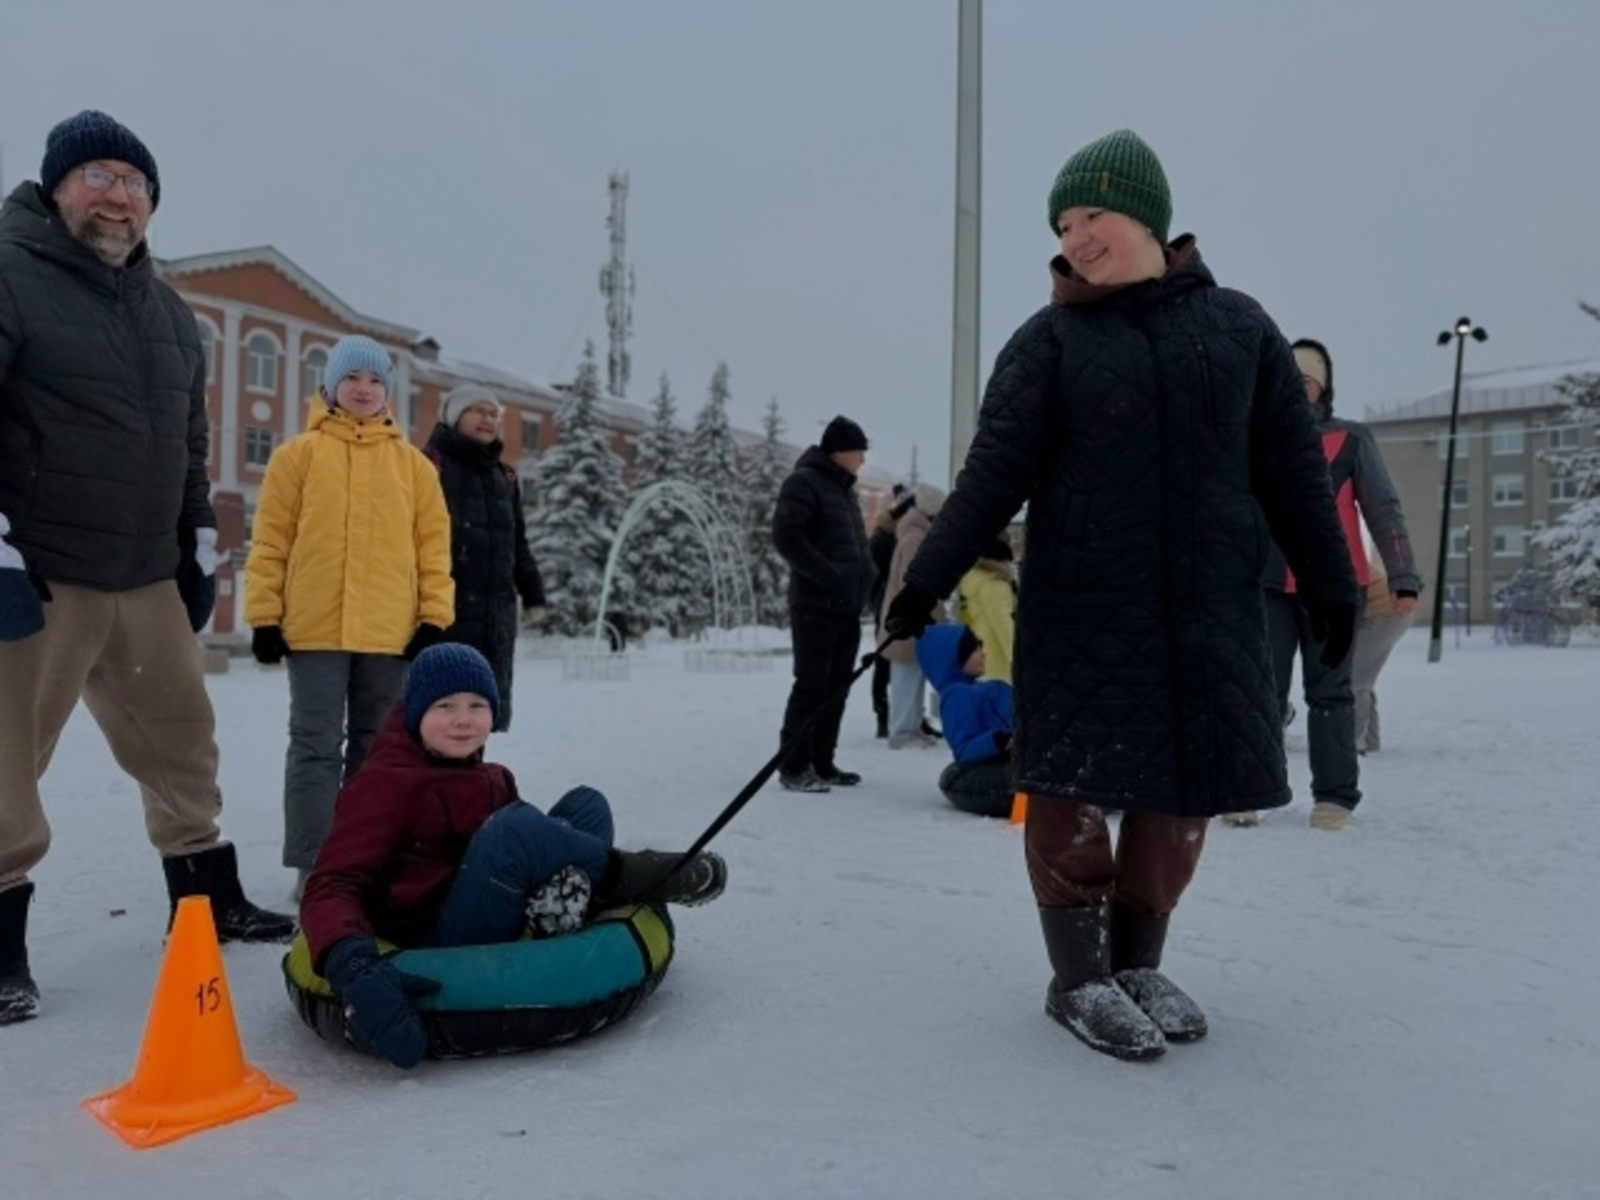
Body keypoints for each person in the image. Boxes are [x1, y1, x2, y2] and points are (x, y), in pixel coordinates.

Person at [883, 129, 1356, 1061]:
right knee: (1073, 796)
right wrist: (923, 584)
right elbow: (989, 480)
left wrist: (1333, 581)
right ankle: (1080, 976)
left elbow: (1294, 472)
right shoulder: (1050, 341)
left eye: (1091, 213)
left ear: (1147, 216)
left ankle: (1138, 960)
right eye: (1063, 221)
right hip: (1087, 611)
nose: (1076, 235)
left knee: (1181, 797)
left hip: (1209, 611)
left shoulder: (1239, 329)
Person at [0, 110, 295, 1024]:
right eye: (98, 175)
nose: (119, 195)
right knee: (6, 764)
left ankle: (204, 900)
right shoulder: (9, 274)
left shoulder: (168, 310)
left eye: (135, 182)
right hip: (38, 570)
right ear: (56, 188)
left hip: (144, 575)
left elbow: (191, 441)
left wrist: (197, 536)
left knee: (181, 745)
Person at [298, 643, 727, 1068]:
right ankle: (635, 874)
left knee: (585, 804)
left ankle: (556, 912)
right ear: (414, 713)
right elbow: (330, 883)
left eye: (477, 704)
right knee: (514, 829)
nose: (463, 720)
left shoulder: (492, 777)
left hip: (488, 898)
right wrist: (351, 963)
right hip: (433, 931)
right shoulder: (382, 785)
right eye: (444, 706)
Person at [245, 334, 455, 893]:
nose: (364, 390)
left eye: (375, 380)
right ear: (330, 386)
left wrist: (434, 616)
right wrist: (265, 616)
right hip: (314, 629)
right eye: (352, 378)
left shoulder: (414, 469)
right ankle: (313, 866)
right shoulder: (297, 457)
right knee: (314, 747)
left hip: (390, 632)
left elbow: (434, 549)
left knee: (376, 749)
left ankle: (361, 861)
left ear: (388, 391)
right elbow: (270, 543)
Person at [1235, 338, 1421, 831]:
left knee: (1332, 692)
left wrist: (1402, 575)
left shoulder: (1352, 438)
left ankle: (1334, 797)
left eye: (1306, 378)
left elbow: (1385, 509)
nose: (1296, 387)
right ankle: (1248, 790)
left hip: (1335, 586)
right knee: (1261, 690)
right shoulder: (1254, 437)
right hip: (1268, 585)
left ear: (1323, 386)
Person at [424, 382, 547, 731]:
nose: (488, 419)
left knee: (478, 713)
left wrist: (533, 593)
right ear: (454, 415)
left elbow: (517, 543)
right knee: (439, 712)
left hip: (495, 617)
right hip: (443, 613)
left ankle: (472, 786)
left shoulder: (504, 477)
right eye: (478, 411)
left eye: (494, 414)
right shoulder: (429, 465)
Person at [771, 415, 876, 793]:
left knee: (837, 688)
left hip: (845, 607)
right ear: (840, 452)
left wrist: (867, 577)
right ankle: (794, 766)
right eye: (859, 452)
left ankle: (822, 761)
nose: (863, 460)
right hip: (815, 605)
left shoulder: (845, 491)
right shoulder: (803, 483)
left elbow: (854, 548)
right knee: (812, 685)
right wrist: (830, 575)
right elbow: (786, 536)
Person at [915, 624, 1014, 818]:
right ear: (953, 660)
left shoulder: (990, 688)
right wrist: (998, 740)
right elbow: (964, 749)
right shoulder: (957, 696)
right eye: (975, 651)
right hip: (982, 768)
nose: (983, 654)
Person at [876, 485, 947, 748]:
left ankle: (912, 727)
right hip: (909, 624)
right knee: (906, 679)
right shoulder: (916, 539)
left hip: (911, 623)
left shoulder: (912, 533)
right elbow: (916, 584)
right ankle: (902, 732)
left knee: (913, 676)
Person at [866, 484, 914, 738]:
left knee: (906, 660)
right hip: (884, 607)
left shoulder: (900, 537)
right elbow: (874, 578)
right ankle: (883, 712)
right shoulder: (883, 539)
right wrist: (881, 604)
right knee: (884, 659)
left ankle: (907, 712)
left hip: (900, 606)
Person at [1351, 555, 1411, 755]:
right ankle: (1369, 740)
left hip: (1383, 614)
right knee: (1362, 679)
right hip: (1388, 612)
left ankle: (1355, 743)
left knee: (1354, 681)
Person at [957, 534, 1018, 684]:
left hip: (978, 659)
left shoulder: (971, 580)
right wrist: (1019, 661)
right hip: (997, 666)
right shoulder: (994, 586)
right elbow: (1005, 627)